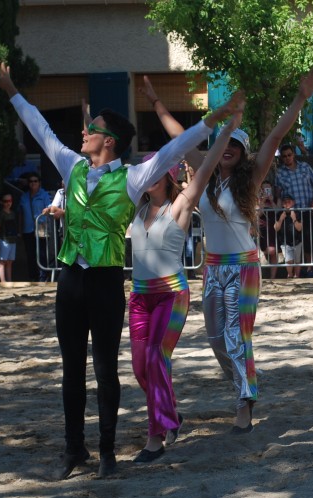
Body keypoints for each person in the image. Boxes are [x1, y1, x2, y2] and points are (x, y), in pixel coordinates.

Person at [0, 60, 229, 479]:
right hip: (70, 279)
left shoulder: (136, 178)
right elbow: (39, 130)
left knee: (104, 368)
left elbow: (175, 150)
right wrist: (11, 89)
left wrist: (212, 119)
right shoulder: (72, 166)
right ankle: (73, 449)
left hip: (105, 281)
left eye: (92, 128)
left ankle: (106, 450)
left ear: (110, 141)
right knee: (71, 369)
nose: (82, 133)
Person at [198, 68, 313, 433]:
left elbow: (277, 135)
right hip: (212, 268)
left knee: (237, 335)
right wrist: (158, 105)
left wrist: (300, 97)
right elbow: (179, 141)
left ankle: (244, 401)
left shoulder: (250, 179)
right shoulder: (204, 178)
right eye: (225, 144)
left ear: (242, 153)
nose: (228, 151)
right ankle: (244, 380)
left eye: (235, 146)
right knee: (216, 339)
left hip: (243, 268)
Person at [128, 105, 245, 463]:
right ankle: (171, 415)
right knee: (139, 366)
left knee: (156, 357)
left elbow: (207, 163)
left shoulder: (181, 204)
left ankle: (156, 436)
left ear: (167, 177)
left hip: (172, 296)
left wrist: (227, 129)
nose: (148, 178)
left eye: (156, 172)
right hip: (139, 298)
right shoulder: (134, 208)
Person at [275, 143, 313, 269]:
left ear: (294, 154)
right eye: (284, 156)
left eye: (289, 155)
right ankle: (295, 271)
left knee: (309, 239)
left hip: (307, 209)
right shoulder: (280, 173)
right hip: (291, 213)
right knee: (293, 242)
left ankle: (309, 268)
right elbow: (278, 193)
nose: (287, 158)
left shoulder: (305, 167)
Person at [18, 172, 53, 281]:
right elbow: (20, 213)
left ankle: (43, 277)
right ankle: (33, 277)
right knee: (30, 255)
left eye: (35, 181)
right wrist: (19, 230)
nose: (33, 183)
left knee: (42, 254)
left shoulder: (44, 195)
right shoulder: (24, 196)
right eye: (30, 181)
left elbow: (50, 208)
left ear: (39, 183)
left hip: (41, 228)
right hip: (28, 229)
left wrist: (47, 210)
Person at [273, 194, 304, 278]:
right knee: (289, 260)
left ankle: (297, 276)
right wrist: (281, 219)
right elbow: (276, 228)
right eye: (285, 202)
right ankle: (290, 274)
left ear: (293, 203)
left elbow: (299, 228)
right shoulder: (279, 213)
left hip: (297, 241)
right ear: (282, 204)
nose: (287, 204)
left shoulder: (297, 213)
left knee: (297, 261)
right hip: (285, 242)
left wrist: (294, 218)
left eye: (289, 202)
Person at [257, 180, 279, 278]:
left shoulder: (276, 199)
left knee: (273, 252)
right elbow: (258, 214)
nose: (266, 190)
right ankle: (259, 275)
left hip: (273, 227)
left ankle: (273, 277)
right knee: (262, 250)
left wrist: (271, 201)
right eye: (264, 188)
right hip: (262, 228)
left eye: (268, 188)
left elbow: (278, 211)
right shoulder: (257, 199)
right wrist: (262, 201)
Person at [0, 193, 18, 283]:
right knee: (3, 261)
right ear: (2, 202)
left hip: (12, 240)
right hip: (4, 240)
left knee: (9, 262)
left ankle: (9, 280)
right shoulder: (1, 214)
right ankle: (3, 281)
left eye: (10, 201)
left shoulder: (13, 213)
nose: (8, 203)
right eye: (6, 201)